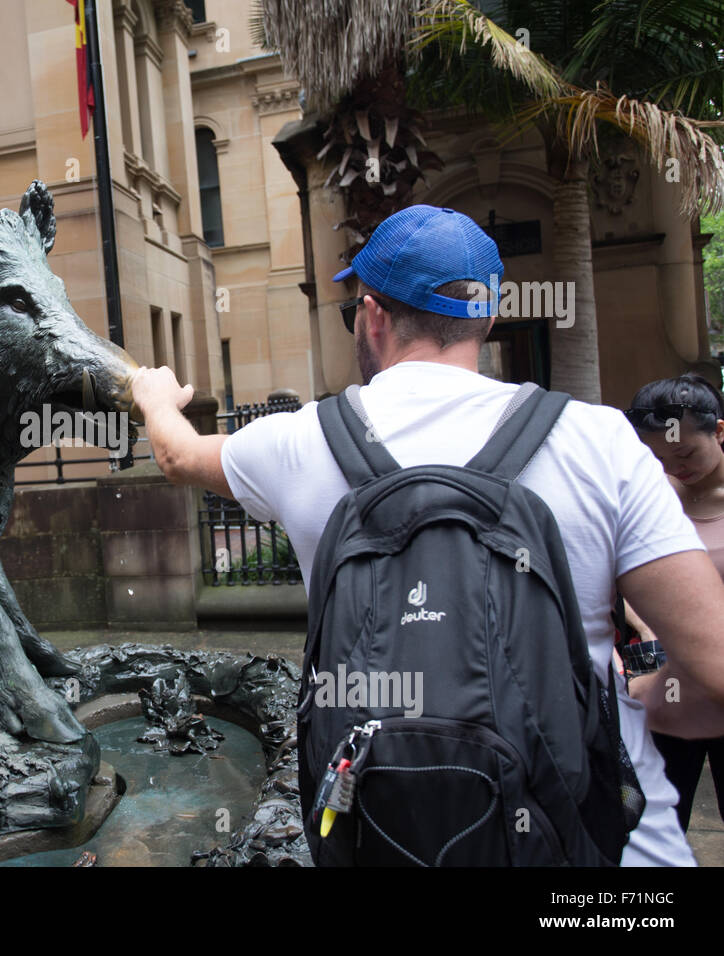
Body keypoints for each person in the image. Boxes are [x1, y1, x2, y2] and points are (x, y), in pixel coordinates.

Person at [131, 203, 724, 866]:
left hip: (392, 841)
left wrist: (154, 396)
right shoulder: (599, 441)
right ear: (487, 315)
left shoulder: (299, 443)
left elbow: (179, 456)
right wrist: (633, 693)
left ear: (374, 315)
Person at [623, 374, 724, 832]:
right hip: (667, 688)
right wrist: (645, 626)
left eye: (684, 454)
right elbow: (623, 577)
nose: (673, 468)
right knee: (660, 820)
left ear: (719, 431)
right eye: (659, 458)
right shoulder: (652, 497)